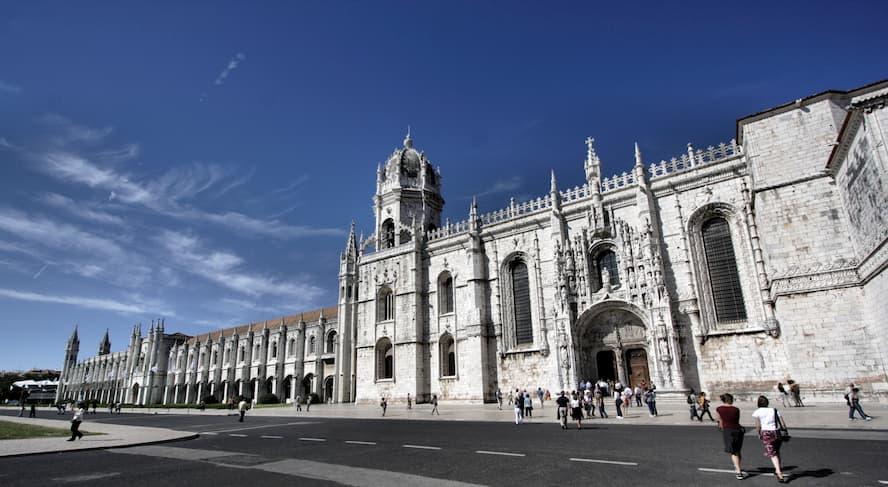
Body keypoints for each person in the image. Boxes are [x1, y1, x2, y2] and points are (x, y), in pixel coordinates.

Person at [752, 395, 788, 483]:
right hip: (777, 432)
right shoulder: (774, 410)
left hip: (766, 433)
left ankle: (779, 472)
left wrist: (758, 433)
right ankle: (777, 469)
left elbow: (758, 425)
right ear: (767, 402)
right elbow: (782, 423)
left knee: (772, 454)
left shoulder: (757, 412)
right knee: (777, 451)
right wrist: (785, 431)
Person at [716, 393, 747, 480]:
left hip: (728, 431)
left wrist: (721, 428)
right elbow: (736, 420)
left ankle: (738, 471)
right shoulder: (736, 409)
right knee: (737, 450)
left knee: (733, 452)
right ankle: (738, 467)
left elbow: (719, 420)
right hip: (737, 430)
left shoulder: (719, 409)